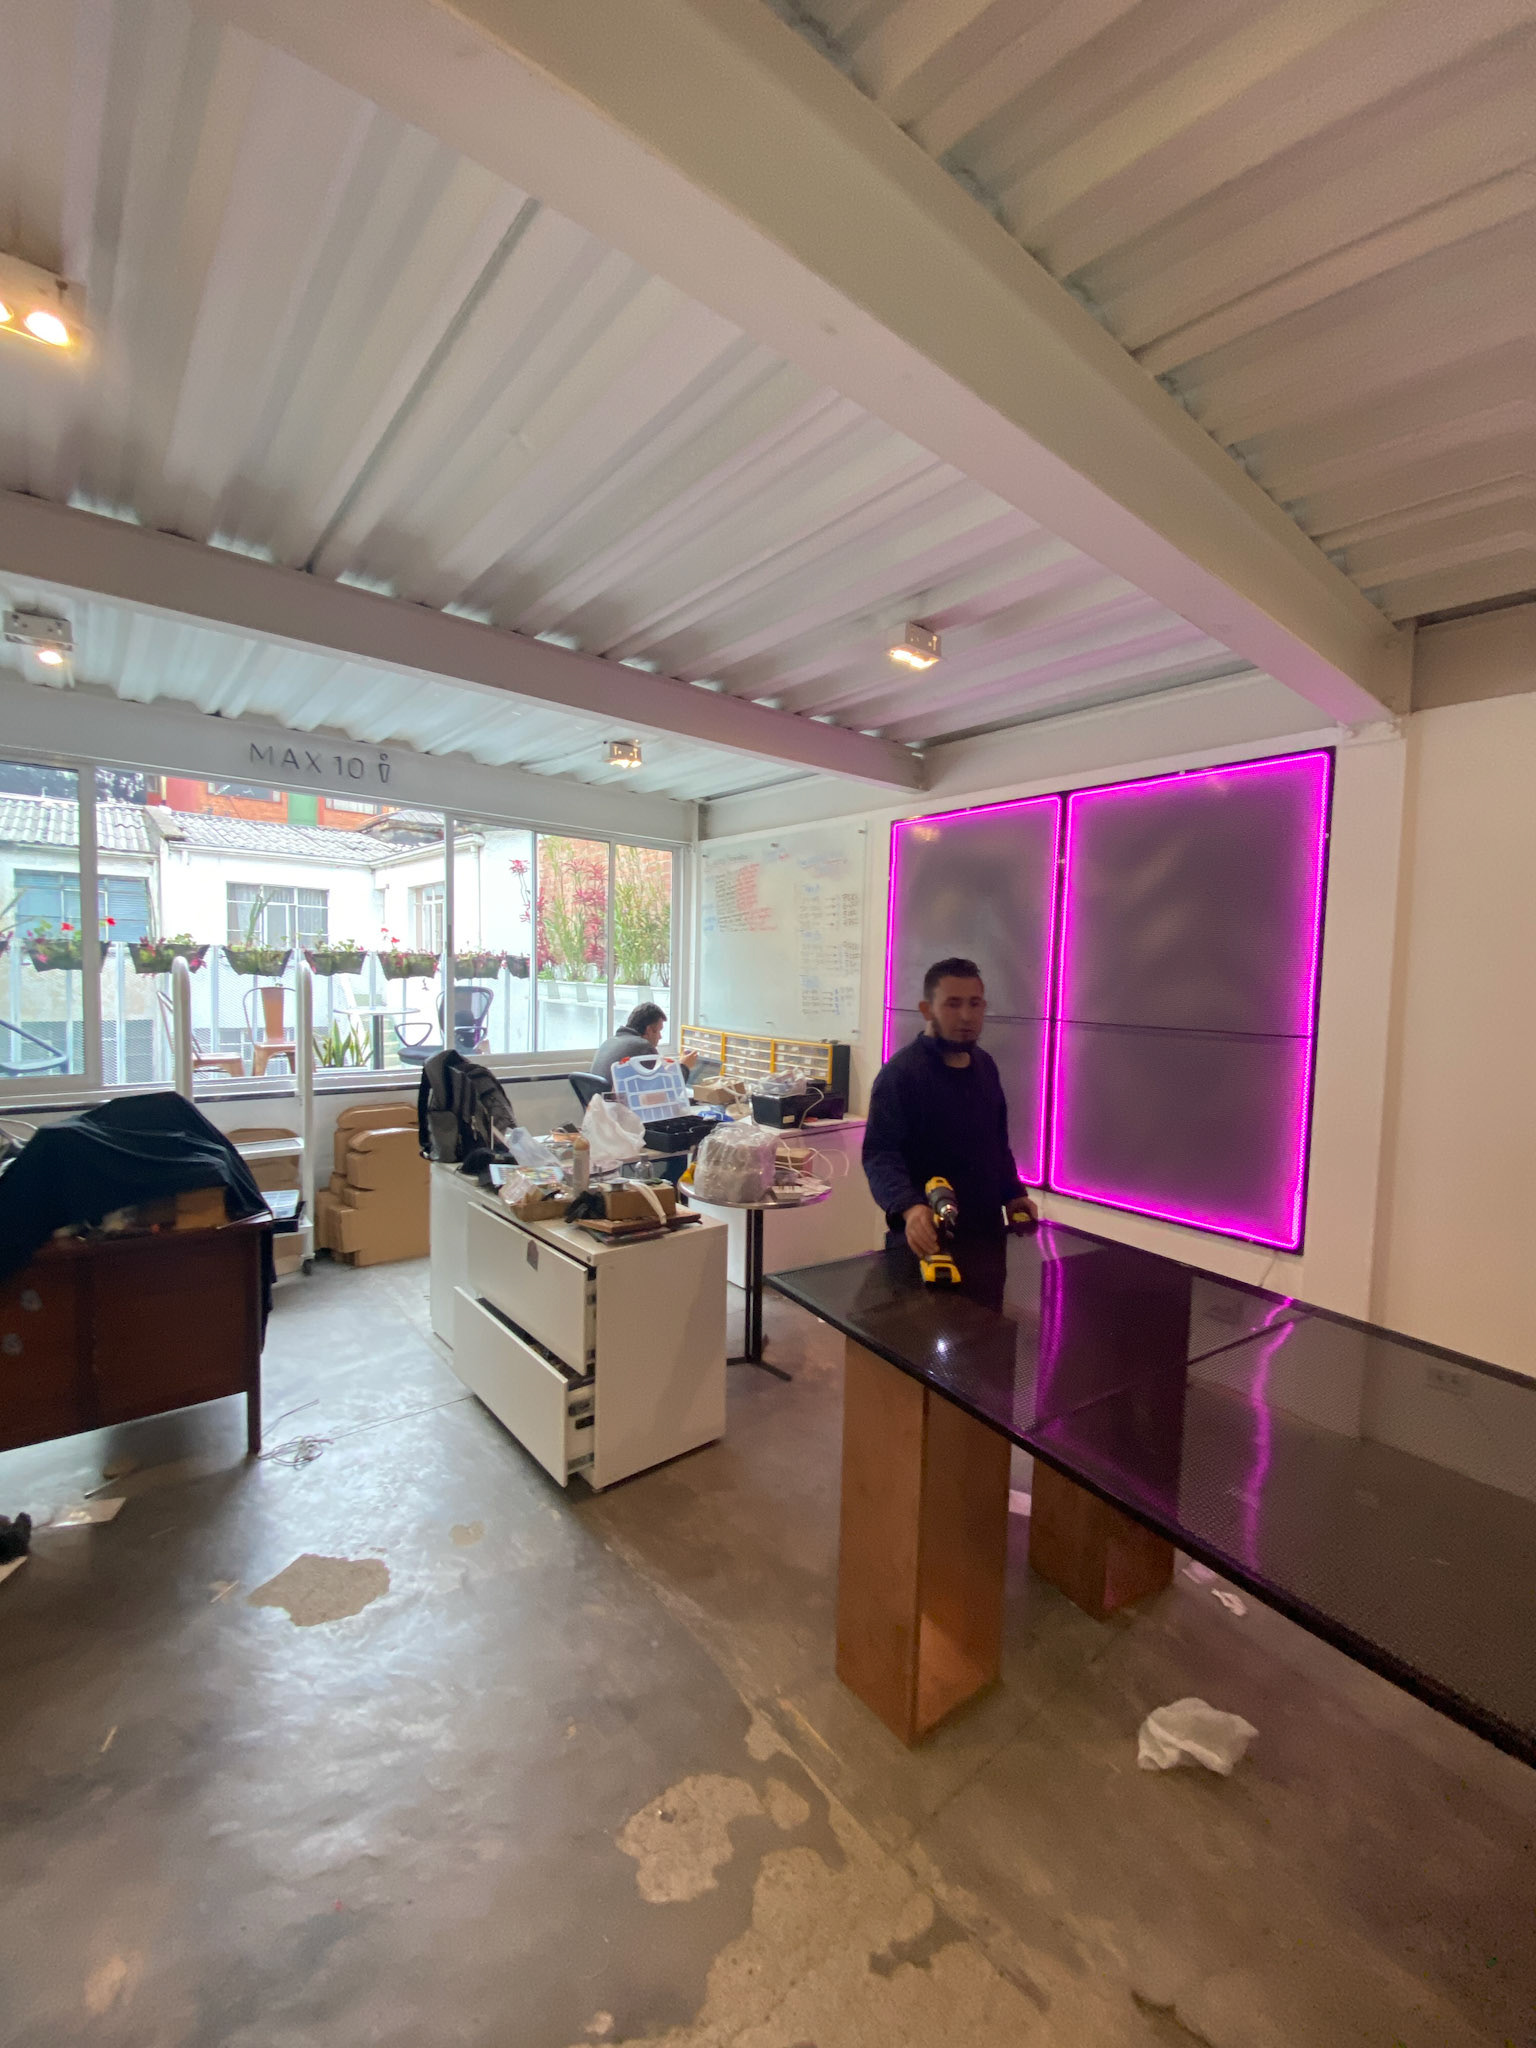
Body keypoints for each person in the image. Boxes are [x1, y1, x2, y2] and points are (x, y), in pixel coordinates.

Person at [863, 957, 1038, 1258]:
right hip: (924, 1242)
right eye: (953, 1004)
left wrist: (1013, 1193)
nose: (966, 1016)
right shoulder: (900, 1075)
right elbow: (880, 1155)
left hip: (988, 1237)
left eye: (974, 1004)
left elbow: (996, 1144)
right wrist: (909, 1207)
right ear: (927, 1010)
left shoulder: (985, 1066)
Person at [589, 1002, 699, 1087]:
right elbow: (664, 1091)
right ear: (649, 1030)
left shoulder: (610, 1042)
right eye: (659, 1031)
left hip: (601, 1108)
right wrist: (684, 1066)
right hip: (621, 1109)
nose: (660, 1037)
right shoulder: (643, 1047)